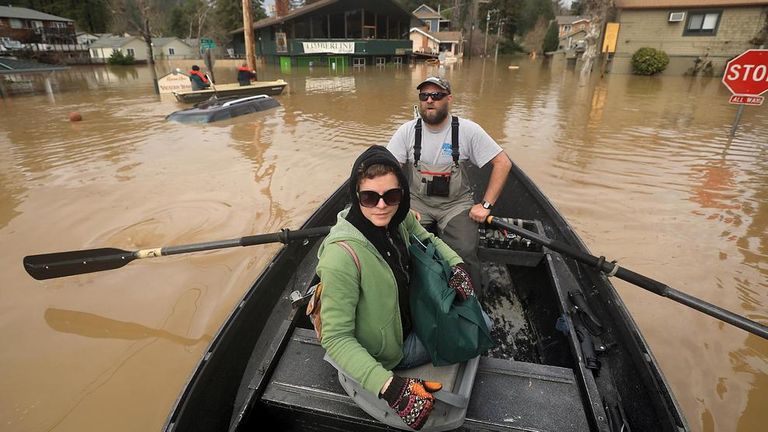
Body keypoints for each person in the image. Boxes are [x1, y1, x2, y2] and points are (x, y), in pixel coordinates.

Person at [315, 145, 475, 430]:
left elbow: (429, 238)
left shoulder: (397, 220)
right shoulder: (340, 257)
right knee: (476, 324)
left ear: (402, 195)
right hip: (392, 350)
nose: (381, 205)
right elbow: (336, 339)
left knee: (471, 310)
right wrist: (390, 387)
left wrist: (457, 265)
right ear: (355, 196)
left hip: (412, 315)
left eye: (391, 195)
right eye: (369, 197)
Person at [386, 76, 513, 295]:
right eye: (424, 96)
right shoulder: (407, 131)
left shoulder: (468, 130)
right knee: (404, 246)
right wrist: (399, 204)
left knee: (464, 250)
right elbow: (388, 170)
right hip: (417, 204)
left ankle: (470, 303)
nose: (430, 100)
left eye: (437, 95)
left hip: (456, 205)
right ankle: (411, 298)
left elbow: (502, 163)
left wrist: (485, 205)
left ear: (449, 99)